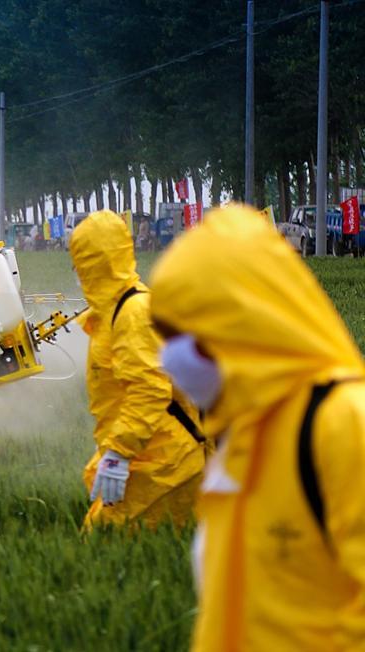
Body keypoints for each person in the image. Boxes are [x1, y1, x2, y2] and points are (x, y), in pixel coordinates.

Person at [150, 204, 365, 651]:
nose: (169, 358)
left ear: (240, 324)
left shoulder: (343, 423)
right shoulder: (243, 439)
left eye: (183, 336)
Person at [69, 209, 205, 530]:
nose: (75, 270)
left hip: (165, 462)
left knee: (105, 543)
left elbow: (149, 390)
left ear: (94, 262)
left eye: (79, 259)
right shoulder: (112, 311)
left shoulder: (132, 313)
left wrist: (119, 452)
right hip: (149, 454)